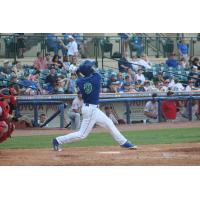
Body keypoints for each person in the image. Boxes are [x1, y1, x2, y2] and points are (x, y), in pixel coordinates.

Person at [52, 60, 137, 151]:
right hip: (91, 110)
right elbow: (91, 72)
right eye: (91, 67)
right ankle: (57, 140)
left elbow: (81, 76)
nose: (93, 67)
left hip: (91, 108)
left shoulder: (80, 81)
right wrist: (78, 70)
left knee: (109, 123)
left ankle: (123, 142)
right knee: (82, 134)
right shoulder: (96, 78)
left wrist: (77, 71)